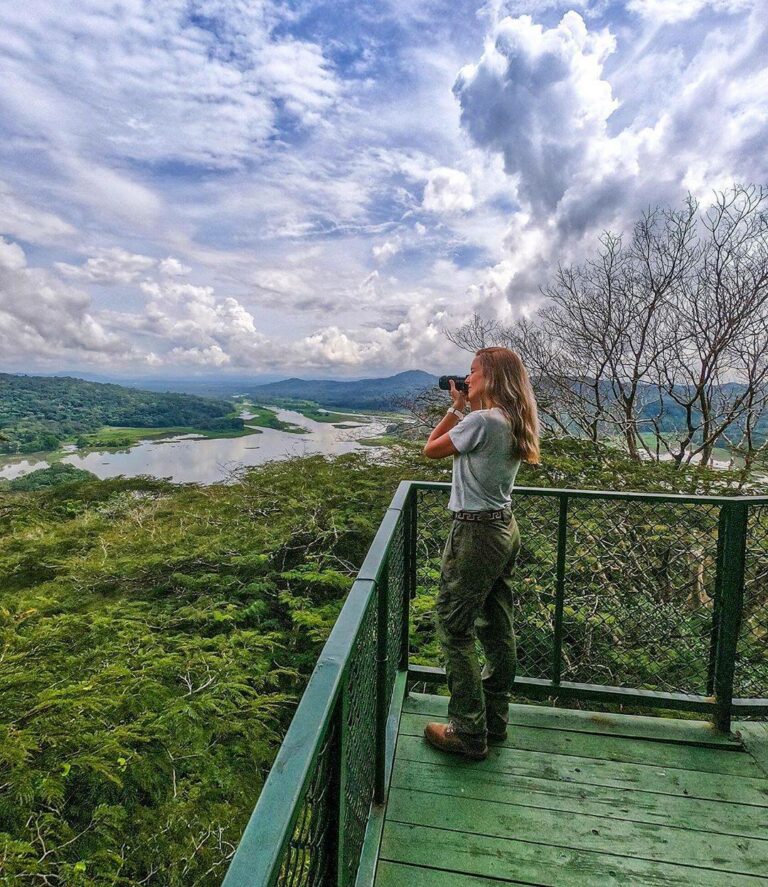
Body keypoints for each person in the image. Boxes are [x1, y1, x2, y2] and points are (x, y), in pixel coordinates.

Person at [422, 347, 540, 760]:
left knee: (454, 628)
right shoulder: (511, 418)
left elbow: (431, 449)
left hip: (475, 532)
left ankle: (468, 730)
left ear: (491, 376)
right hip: (504, 527)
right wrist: (467, 405)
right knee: (496, 622)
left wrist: (456, 409)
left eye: (473, 372)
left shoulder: (482, 420)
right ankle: (494, 719)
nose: (467, 378)